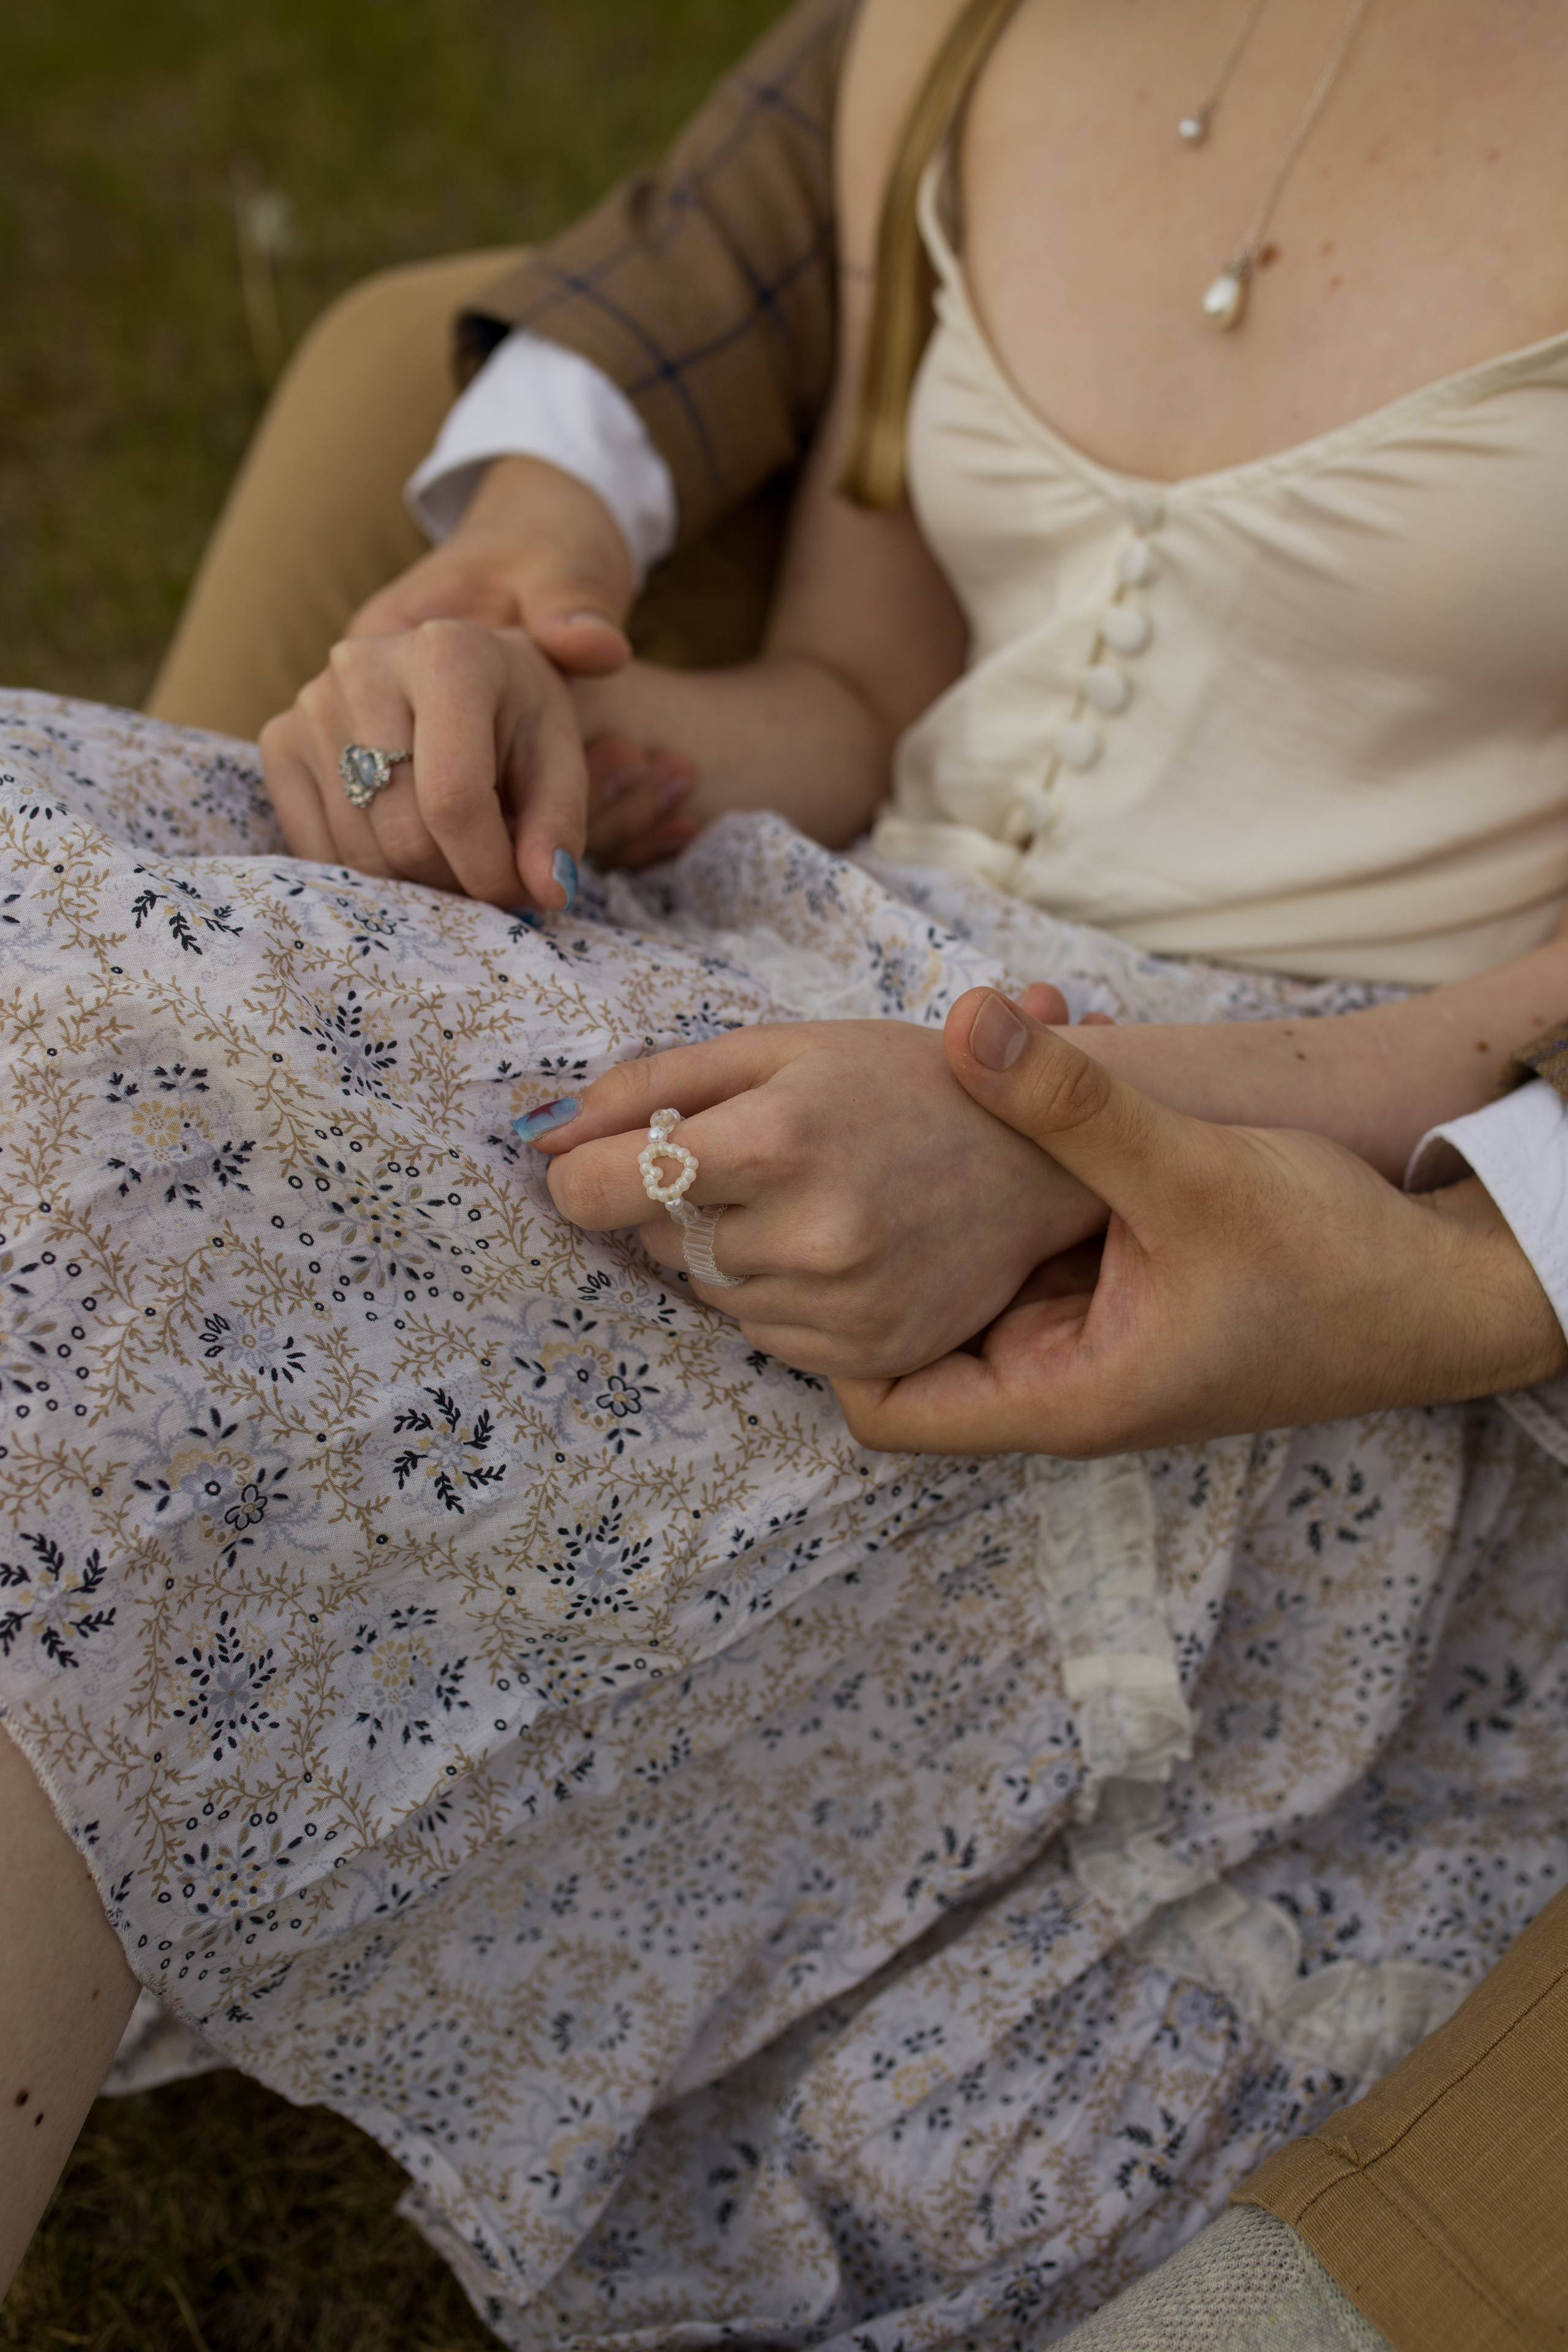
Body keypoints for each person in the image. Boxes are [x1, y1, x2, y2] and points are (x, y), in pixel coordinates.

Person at [6, 5, 1568, 2351]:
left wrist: (1062, 1132)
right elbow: (858, 701)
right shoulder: (954, 31)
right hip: (839, 956)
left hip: (1287, 1211)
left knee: (145, 1220)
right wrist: (563, 751)